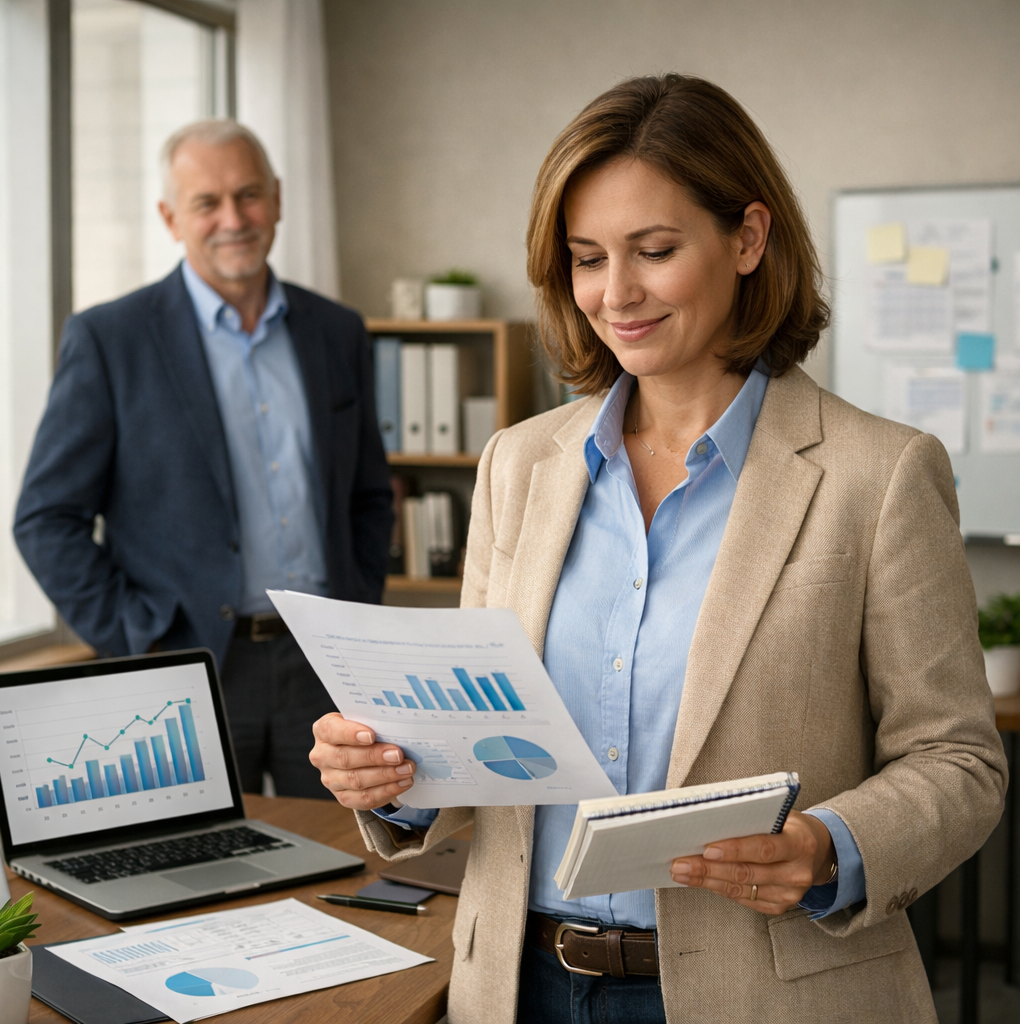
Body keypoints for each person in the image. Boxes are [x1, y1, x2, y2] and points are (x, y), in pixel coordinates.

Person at [308, 75, 1007, 1022]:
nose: (616, 293)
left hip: (767, 990)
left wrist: (830, 846)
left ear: (749, 239)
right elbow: (481, 745)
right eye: (587, 258)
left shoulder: (879, 474)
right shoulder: (519, 464)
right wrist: (395, 781)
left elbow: (959, 759)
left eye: (656, 251)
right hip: (521, 985)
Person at [15, 120, 392, 800]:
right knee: (200, 870)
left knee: (350, 859)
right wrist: (138, 636)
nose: (233, 219)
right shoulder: (110, 339)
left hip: (325, 662)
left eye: (248, 195)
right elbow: (46, 519)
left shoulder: (336, 330)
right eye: (206, 202)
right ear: (170, 217)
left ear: (276, 199)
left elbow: (368, 494)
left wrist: (359, 609)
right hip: (186, 667)